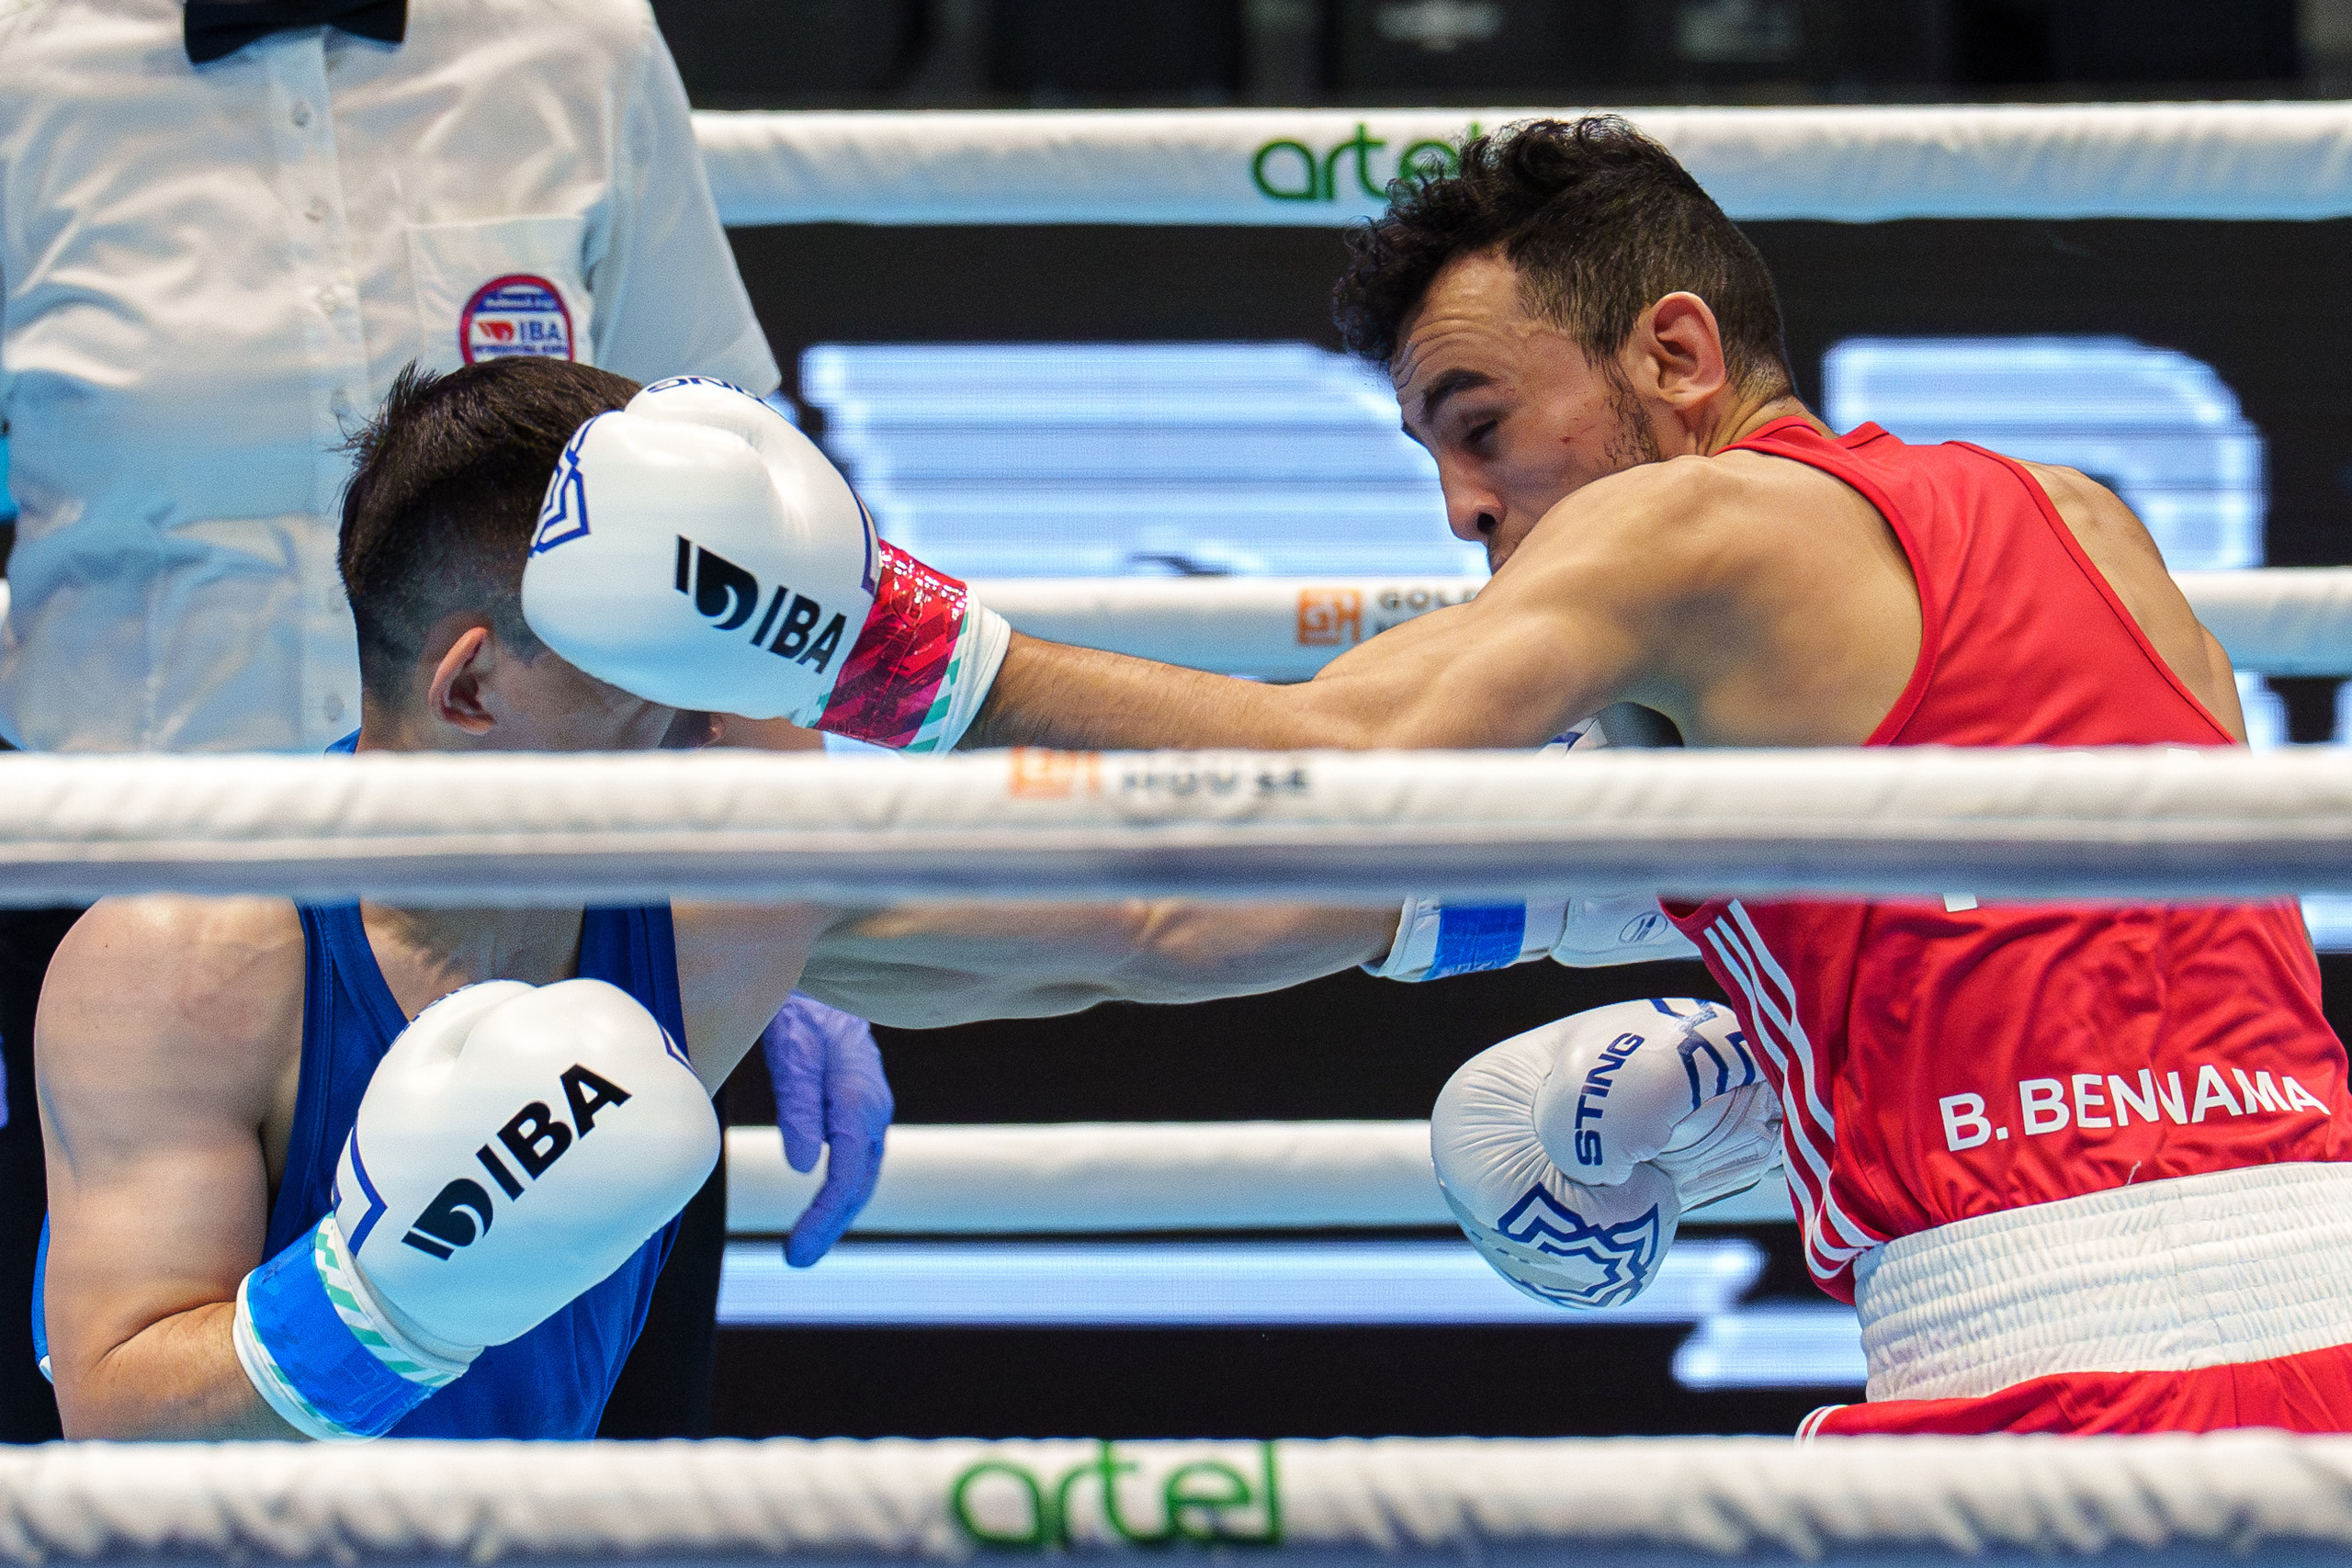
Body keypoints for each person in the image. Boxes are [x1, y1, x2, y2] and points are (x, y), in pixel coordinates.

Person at [547, 117, 2352, 1436]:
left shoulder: (1689, 520)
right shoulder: (2070, 523)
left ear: (1673, 351)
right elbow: (1171, 917)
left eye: (1480, 424)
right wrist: (737, 922)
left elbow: (1341, 767)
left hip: (2056, 1390)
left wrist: (893, 648)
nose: (1465, 505)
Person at [33, 359, 1387, 1440]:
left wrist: (1545, 867)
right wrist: (385, 1303)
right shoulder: (188, 958)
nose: (711, 721)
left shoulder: (714, 896)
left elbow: (1150, 926)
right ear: (471, 690)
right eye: (645, 676)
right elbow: (121, 1418)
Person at [0, 0, 807, 1440]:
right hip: (121, 957)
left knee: (596, 1491)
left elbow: (738, 495)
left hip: (559, 915)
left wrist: (811, 882)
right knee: (137, 1466)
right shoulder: (18, 72)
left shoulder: (581, 45)